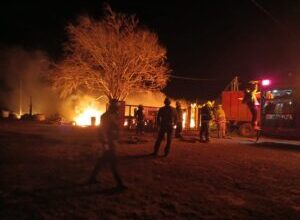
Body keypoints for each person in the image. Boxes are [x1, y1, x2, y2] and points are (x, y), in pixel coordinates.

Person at [88, 99, 127, 190]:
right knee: (113, 163)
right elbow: (102, 130)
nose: (118, 108)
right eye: (117, 107)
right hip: (109, 143)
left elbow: (115, 128)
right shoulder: (106, 117)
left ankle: (92, 178)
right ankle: (120, 183)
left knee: (101, 161)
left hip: (111, 142)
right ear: (113, 107)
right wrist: (106, 143)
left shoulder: (113, 116)